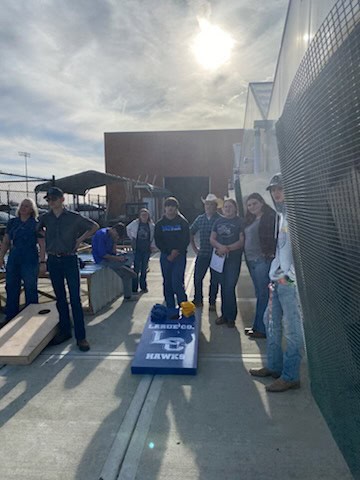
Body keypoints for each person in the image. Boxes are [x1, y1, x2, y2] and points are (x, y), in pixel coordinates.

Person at [249, 173, 304, 392]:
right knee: (270, 323)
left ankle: (290, 376)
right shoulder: (282, 216)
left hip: (289, 282)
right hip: (278, 278)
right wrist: (275, 275)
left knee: (292, 330)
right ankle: (274, 367)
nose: (276, 193)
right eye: (273, 190)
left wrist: (287, 277)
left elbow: (300, 252)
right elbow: (281, 250)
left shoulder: (297, 215)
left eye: (280, 189)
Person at [38, 187, 99, 352]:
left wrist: (79, 240)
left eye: (54, 199)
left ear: (62, 199)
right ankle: (65, 331)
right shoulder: (45, 218)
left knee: (75, 298)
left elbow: (94, 226)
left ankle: (81, 337)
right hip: (53, 260)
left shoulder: (73, 217)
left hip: (69, 259)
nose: (51, 202)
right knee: (60, 299)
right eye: (49, 199)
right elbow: (36, 231)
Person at [0, 198, 45, 323]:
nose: (23, 208)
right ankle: (11, 316)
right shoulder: (12, 223)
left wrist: (42, 262)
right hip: (14, 257)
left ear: (32, 210)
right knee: (11, 286)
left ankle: (32, 316)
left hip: (30, 257)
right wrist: (1, 256)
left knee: (30, 286)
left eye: (27, 206)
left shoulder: (36, 224)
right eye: (22, 206)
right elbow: (6, 241)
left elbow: (42, 244)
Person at [244, 193, 277, 339]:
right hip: (252, 261)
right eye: (249, 205)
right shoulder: (251, 219)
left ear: (262, 203)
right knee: (260, 294)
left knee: (263, 295)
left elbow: (276, 237)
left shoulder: (269, 217)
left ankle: (262, 329)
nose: (252, 207)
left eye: (254, 204)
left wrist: (269, 254)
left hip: (261, 261)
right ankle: (257, 325)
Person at [210, 198, 244, 328]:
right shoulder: (218, 221)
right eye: (225, 207)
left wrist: (227, 248)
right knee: (223, 287)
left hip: (233, 259)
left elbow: (241, 241)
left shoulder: (240, 222)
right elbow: (212, 238)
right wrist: (220, 247)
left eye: (230, 206)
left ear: (235, 208)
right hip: (219, 259)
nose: (227, 209)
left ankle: (231, 317)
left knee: (230, 287)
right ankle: (224, 315)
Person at [154, 196, 190, 308]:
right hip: (166, 257)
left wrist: (176, 252)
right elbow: (158, 240)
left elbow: (185, 239)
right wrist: (168, 252)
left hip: (179, 256)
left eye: (173, 206)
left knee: (177, 282)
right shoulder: (160, 224)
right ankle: (170, 307)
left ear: (176, 208)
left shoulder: (183, 222)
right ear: (164, 208)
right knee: (167, 283)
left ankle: (184, 306)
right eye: (168, 206)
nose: (170, 208)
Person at [190, 193, 222, 309]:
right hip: (202, 253)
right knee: (197, 278)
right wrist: (194, 248)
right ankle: (198, 299)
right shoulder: (200, 219)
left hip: (216, 255)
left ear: (215, 206)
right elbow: (191, 232)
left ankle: (212, 302)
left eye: (211, 204)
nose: (208, 207)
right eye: (207, 204)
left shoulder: (220, 220)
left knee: (215, 280)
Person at [92, 222, 138, 301]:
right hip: (102, 260)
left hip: (111, 258)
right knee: (126, 272)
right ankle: (125, 266)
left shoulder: (113, 235)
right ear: (113, 229)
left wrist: (115, 243)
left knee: (130, 257)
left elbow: (113, 251)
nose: (116, 237)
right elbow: (103, 254)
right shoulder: (101, 235)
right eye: (116, 235)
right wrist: (117, 259)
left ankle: (128, 296)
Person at [126, 208, 156, 293]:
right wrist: (132, 238)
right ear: (140, 216)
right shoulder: (135, 223)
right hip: (137, 248)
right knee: (136, 268)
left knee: (144, 268)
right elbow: (127, 228)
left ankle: (143, 286)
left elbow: (153, 236)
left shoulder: (151, 225)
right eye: (142, 215)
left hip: (146, 249)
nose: (144, 216)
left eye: (146, 215)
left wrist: (152, 246)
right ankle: (134, 287)